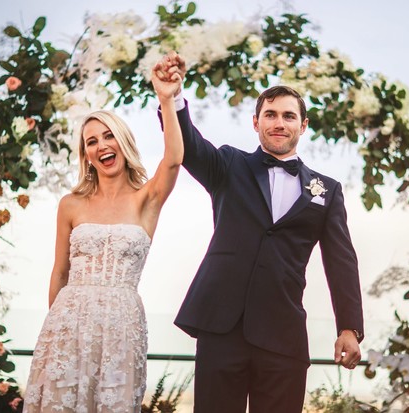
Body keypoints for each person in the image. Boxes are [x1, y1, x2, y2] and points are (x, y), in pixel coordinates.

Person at [153, 53, 364, 413]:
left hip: (283, 335)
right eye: (270, 114)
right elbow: (189, 146)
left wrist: (349, 327)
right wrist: (171, 99)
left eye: (288, 116)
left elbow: (341, 261)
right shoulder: (228, 165)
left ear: (303, 125)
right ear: (255, 122)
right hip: (222, 328)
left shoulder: (326, 190)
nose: (279, 122)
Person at [22, 67, 183, 412]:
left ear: (123, 143)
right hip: (67, 327)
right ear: (87, 156)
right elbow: (60, 273)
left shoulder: (146, 200)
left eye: (108, 136)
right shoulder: (71, 204)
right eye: (91, 141)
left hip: (122, 327)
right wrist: (57, 336)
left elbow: (173, 162)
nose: (101, 146)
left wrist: (166, 100)